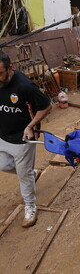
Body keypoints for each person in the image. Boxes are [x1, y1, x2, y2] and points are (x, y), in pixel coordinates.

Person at [0, 51, 51, 227]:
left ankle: (30, 206)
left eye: (0, 73)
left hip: (23, 138)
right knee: (3, 165)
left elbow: (46, 105)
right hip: (3, 135)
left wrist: (30, 126)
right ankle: (31, 173)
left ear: (10, 69)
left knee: (23, 176)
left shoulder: (25, 86)